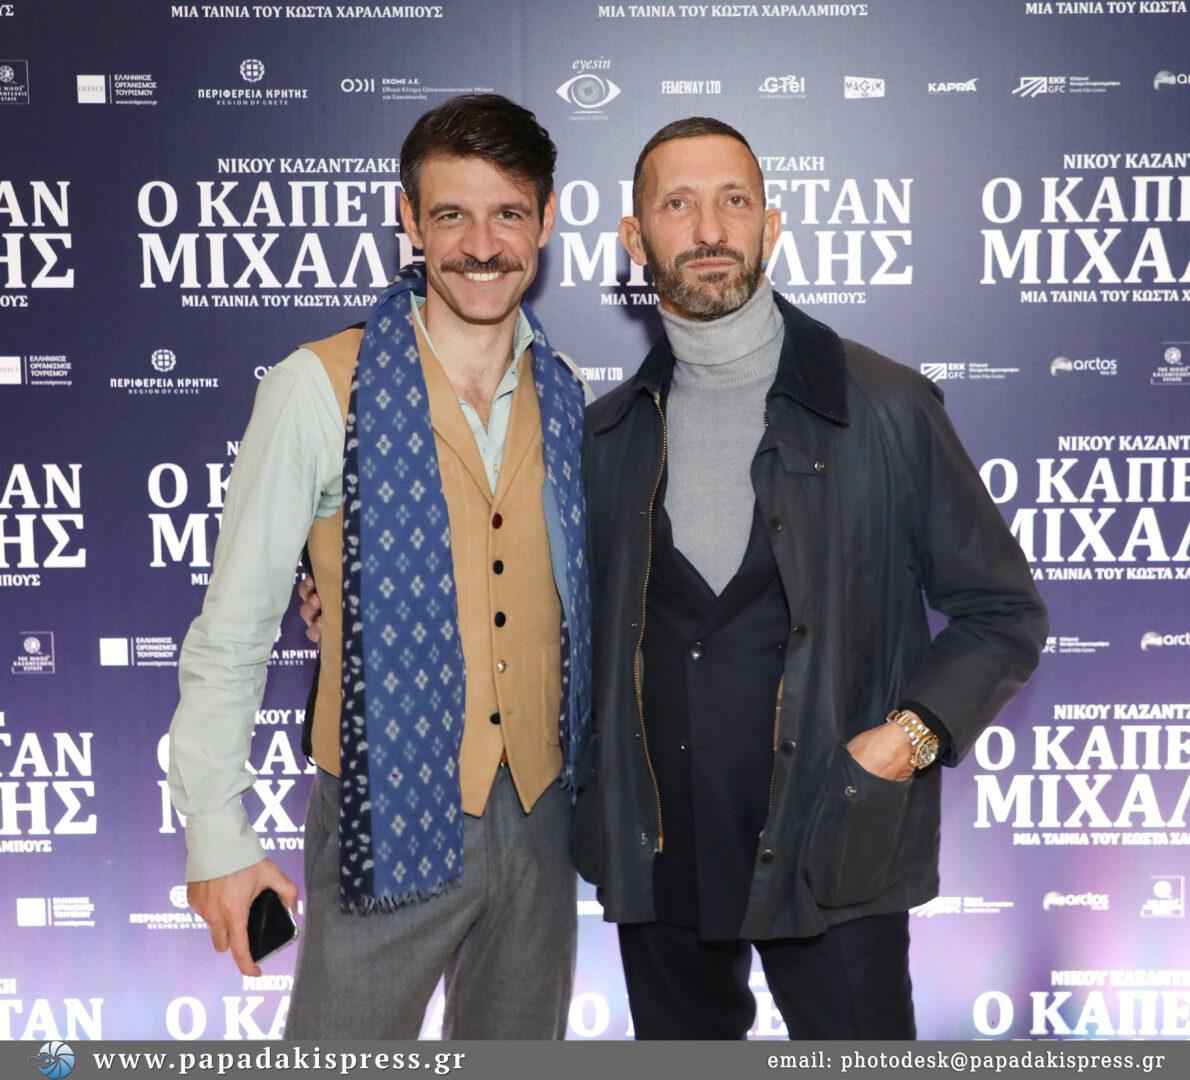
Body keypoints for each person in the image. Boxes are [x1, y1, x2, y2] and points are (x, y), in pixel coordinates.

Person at [569, 117, 1049, 1039]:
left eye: (734, 201)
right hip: (659, 858)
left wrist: (906, 739)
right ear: (635, 237)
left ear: (771, 224)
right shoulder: (608, 435)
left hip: (836, 844)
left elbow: (1003, 613)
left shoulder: (886, 407)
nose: (710, 229)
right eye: (678, 204)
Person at [168, 94, 593, 1040]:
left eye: (508, 214)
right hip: (382, 808)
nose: (481, 245)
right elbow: (233, 628)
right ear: (408, 219)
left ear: (546, 219)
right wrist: (218, 837)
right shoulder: (316, 385)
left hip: (544, 816)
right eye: (451, 214)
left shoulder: (566, 397)